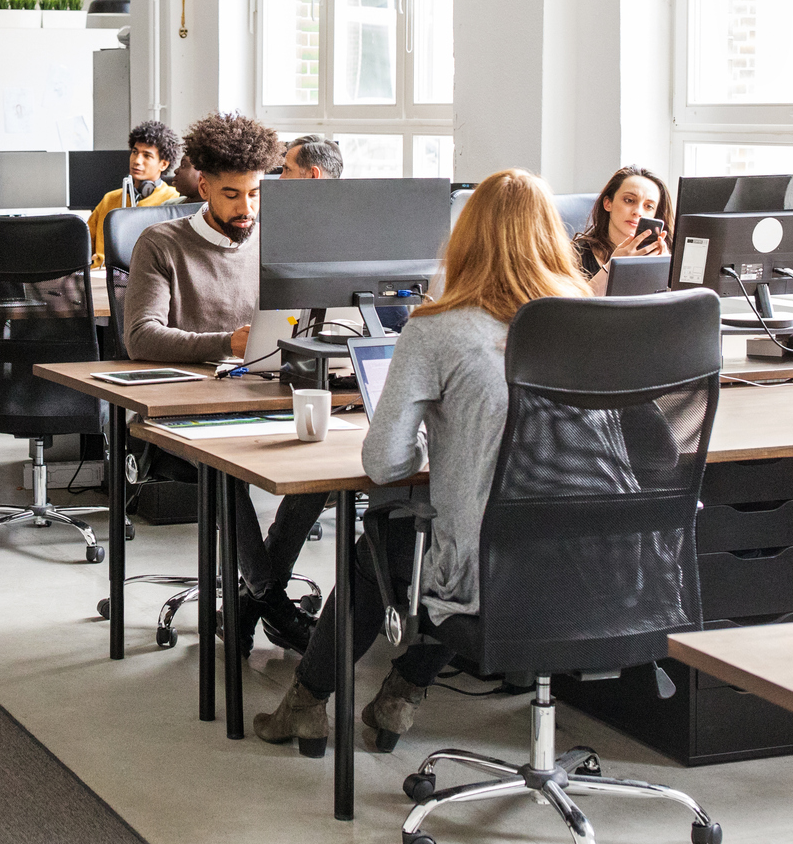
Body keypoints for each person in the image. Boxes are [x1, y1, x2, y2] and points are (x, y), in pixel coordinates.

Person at [253, 168, 593, 753]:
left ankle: (307, 704)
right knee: (452, 539)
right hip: (596, 564)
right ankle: (399, 696)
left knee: (384, 546)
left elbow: (385, 464)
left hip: (484, 571)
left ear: (463, 239)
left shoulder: (437, 329)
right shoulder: (595, 322)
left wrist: (438, 445)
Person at [124, 112, 326, 651]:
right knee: (225, 470)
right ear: (204, 187)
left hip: (264, 395)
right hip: (183, 411)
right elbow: (140, 337)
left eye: (255, 194)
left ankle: (250, 602)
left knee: (328, 462)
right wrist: (226, 343)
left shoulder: (277, 240)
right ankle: (274, 603)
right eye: (233, 195)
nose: (247, 209)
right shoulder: (160, 243)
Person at [85, 120, 184, 266]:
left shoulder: (174, 200)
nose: (137, 161)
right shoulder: (110, 199)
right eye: (135, 152)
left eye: (147, 155)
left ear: (163, 164)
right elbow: (84, 245)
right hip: (100, 275)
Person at [573, 165, 674, 295]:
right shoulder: (575, 255)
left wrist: (665, 272)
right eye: (629, 200)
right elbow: (573, 305)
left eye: (649, 206)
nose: (638, 211)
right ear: (608, 203)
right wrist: (612, 267)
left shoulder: (666, 256)